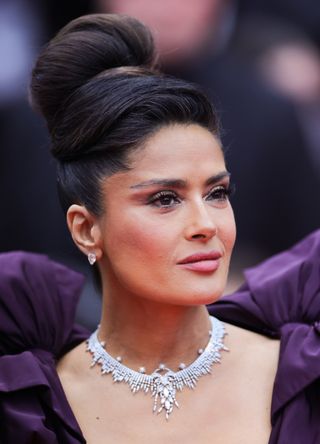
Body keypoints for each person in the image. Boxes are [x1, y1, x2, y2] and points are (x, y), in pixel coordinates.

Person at [0, 13, 319, 443]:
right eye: (164, 199)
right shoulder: (33, 405)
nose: (206, 225)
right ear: (85, 229)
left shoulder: (303, 373)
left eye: (217, 193)